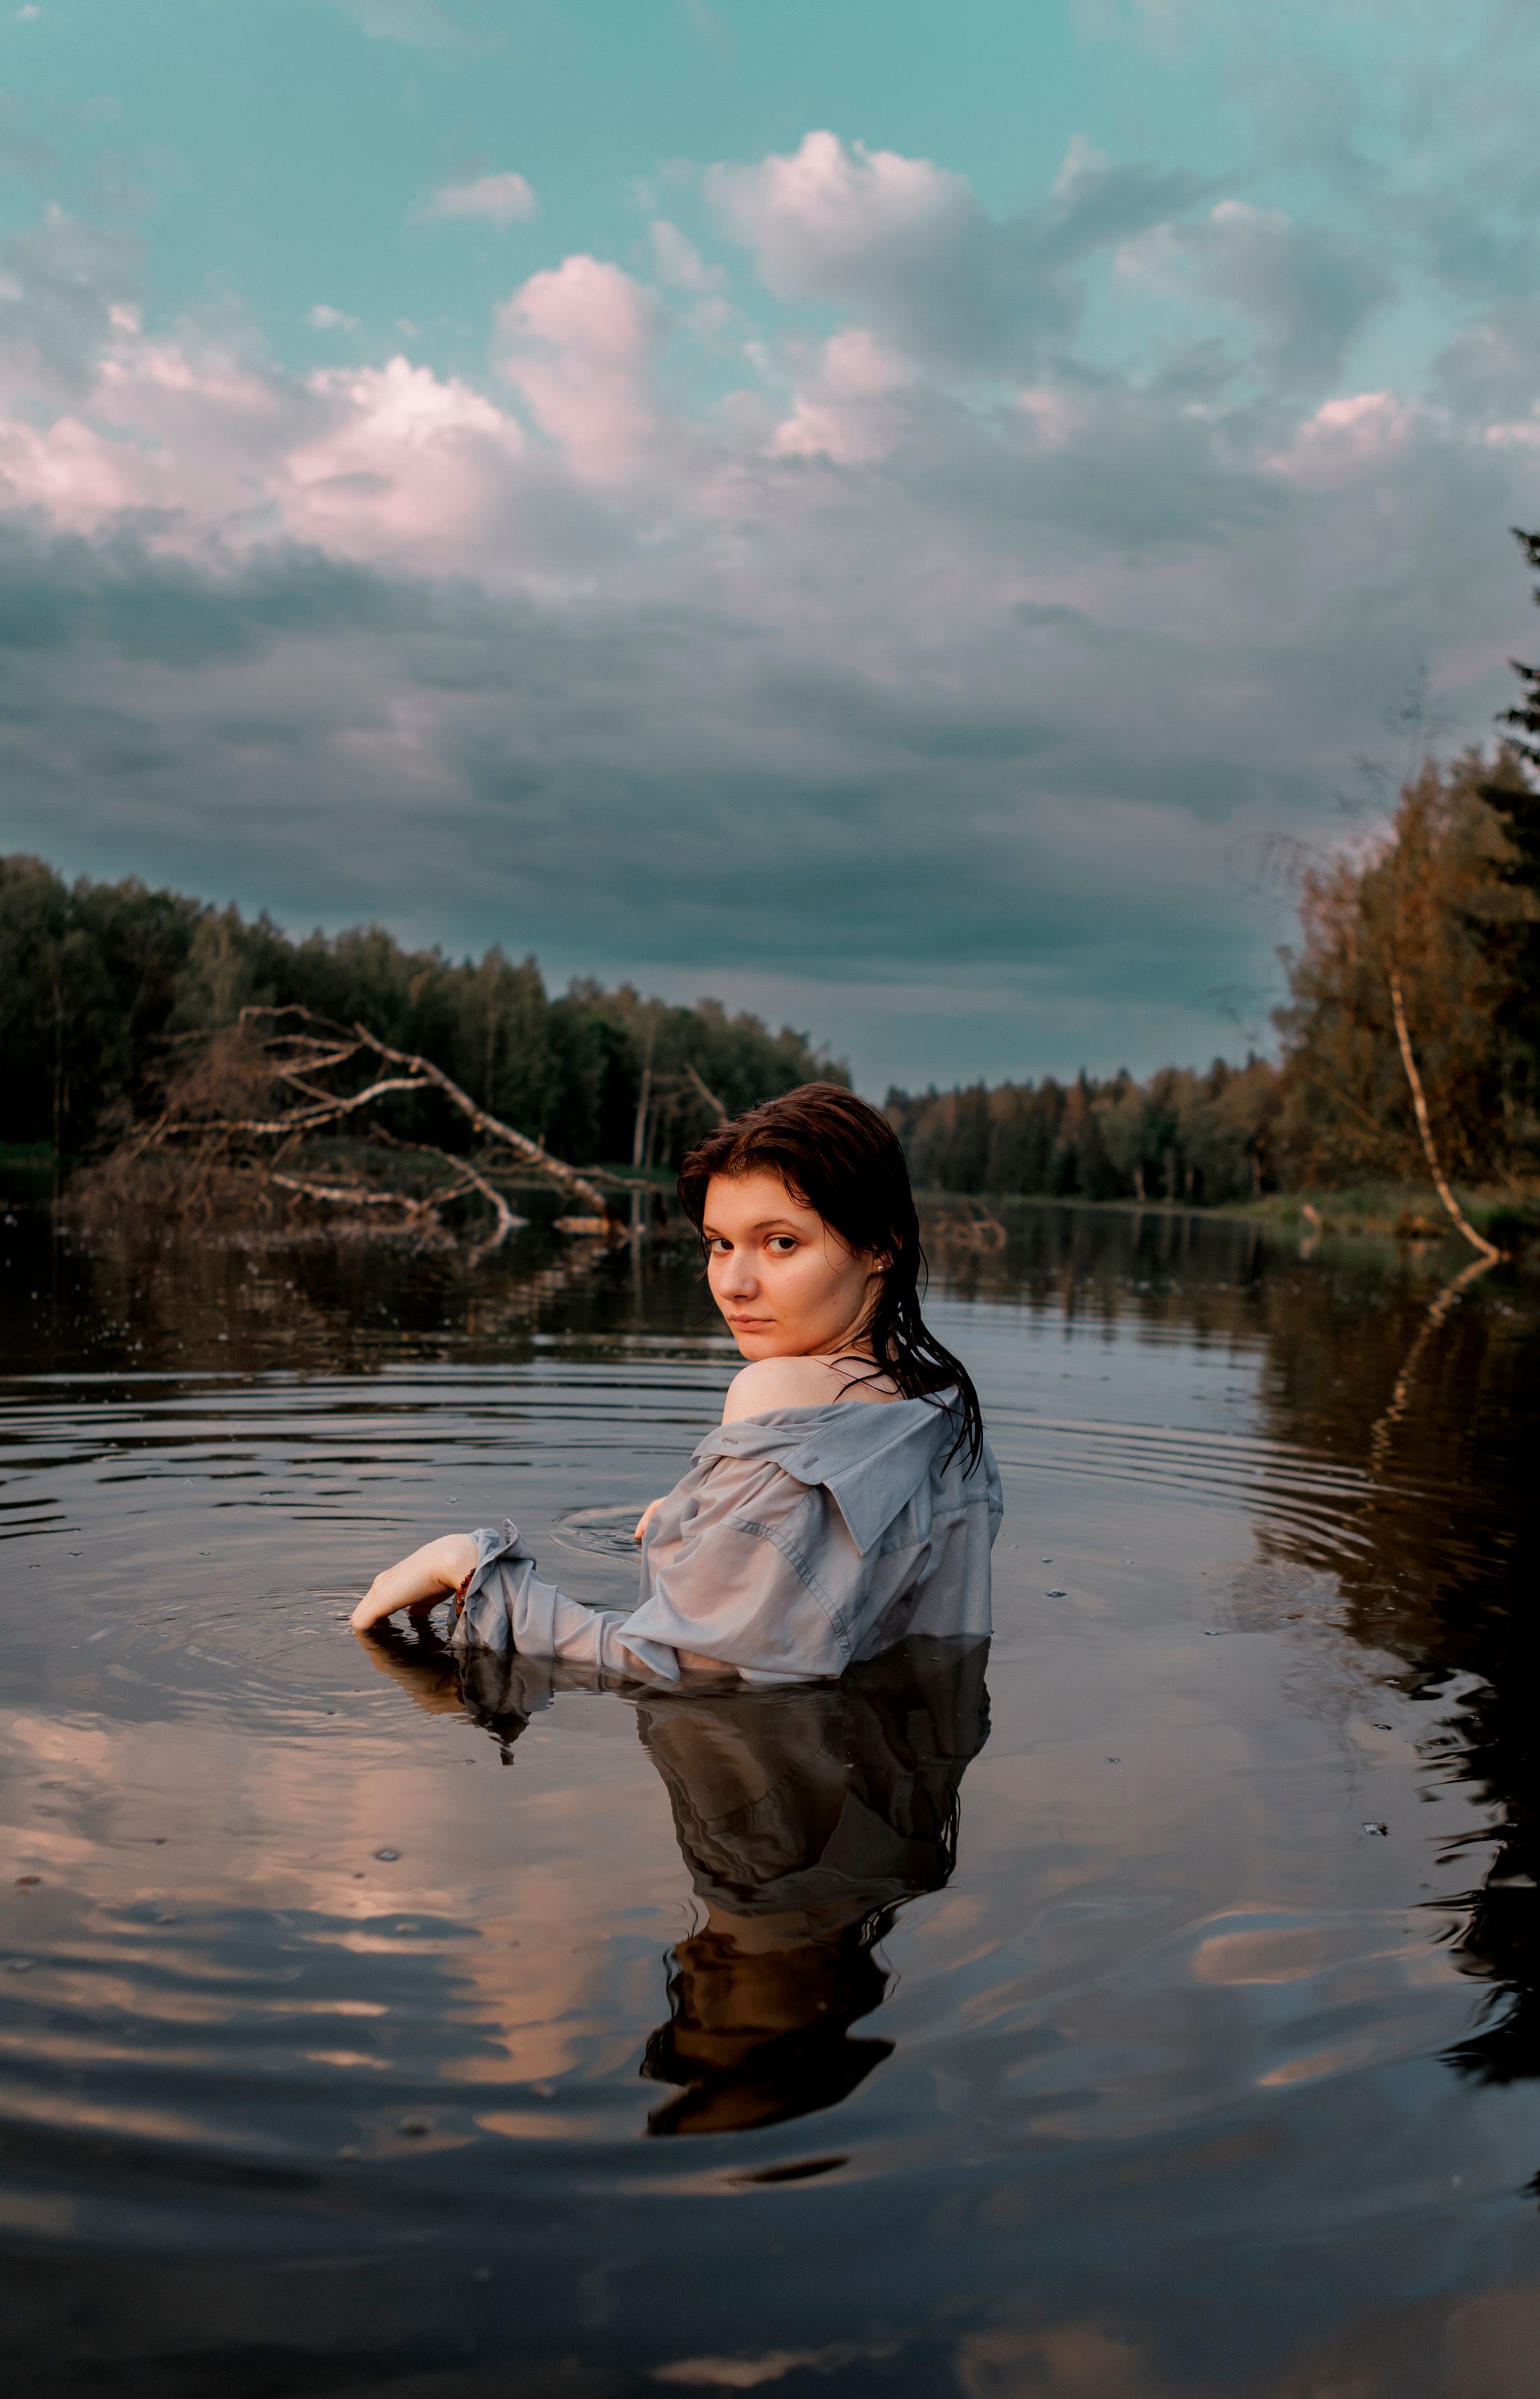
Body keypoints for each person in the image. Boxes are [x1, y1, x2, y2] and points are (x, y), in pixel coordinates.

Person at [351, 1082, 1002, 1685]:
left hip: (772, 1799)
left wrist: (473, 1569)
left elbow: (691, 1667)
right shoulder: (942, 1406)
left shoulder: (775, 1392)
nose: (734, 1283)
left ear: (882, 1245)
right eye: (720, 1243)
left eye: (779, 1243)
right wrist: (714, 1514)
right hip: (891, 1788)